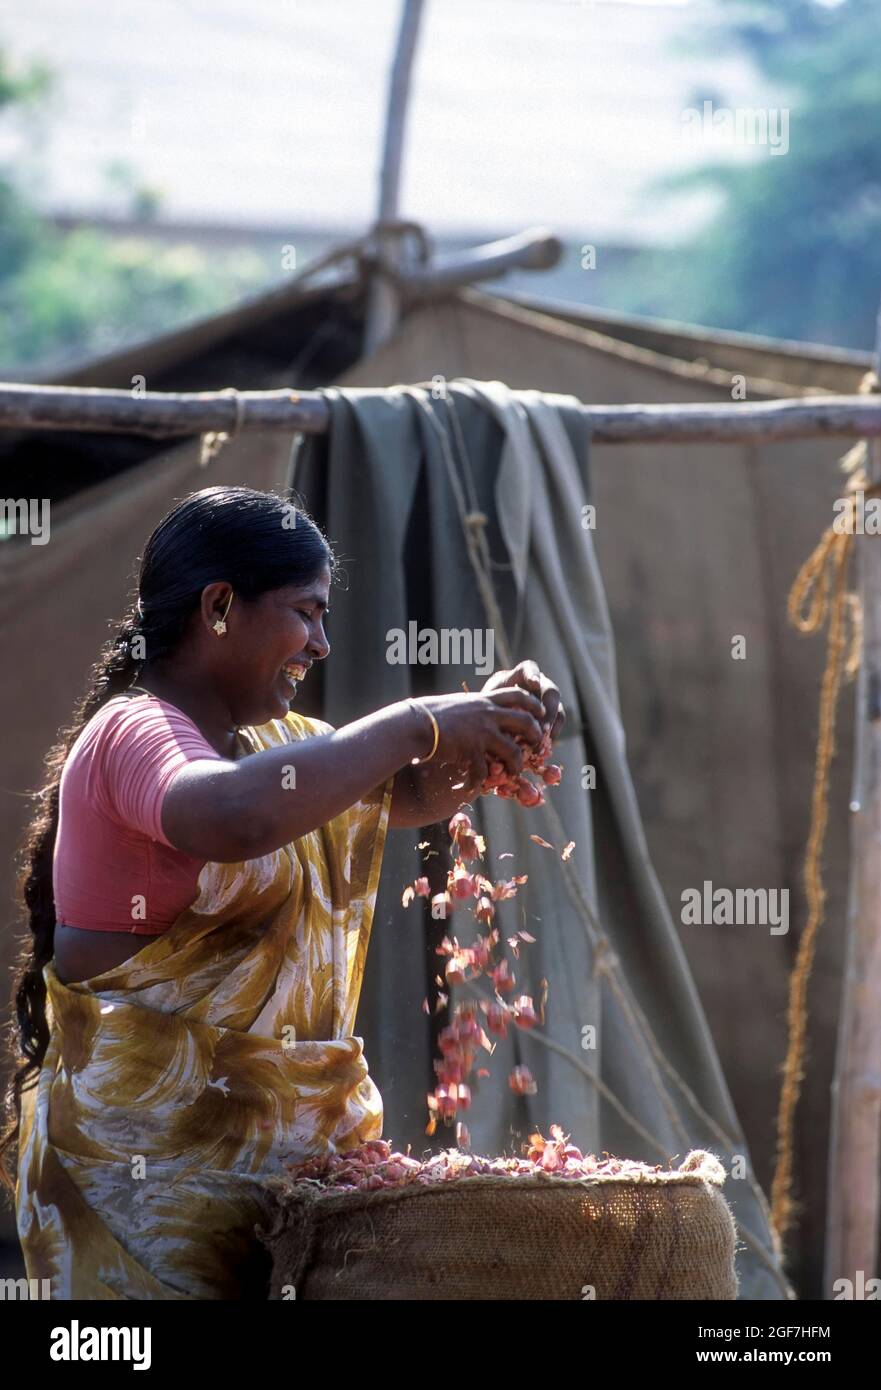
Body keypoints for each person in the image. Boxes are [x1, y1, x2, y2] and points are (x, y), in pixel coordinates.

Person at [0, 485, 564, 1299]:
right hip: (143, 1196)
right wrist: (414, 720)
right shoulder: (133, 732)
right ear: (220, 607)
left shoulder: (269, 747)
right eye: (305, 613)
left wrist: (496, 718)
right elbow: (233, 816)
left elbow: (400, 792)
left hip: (270, 1193)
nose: (321, 644)